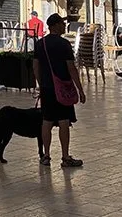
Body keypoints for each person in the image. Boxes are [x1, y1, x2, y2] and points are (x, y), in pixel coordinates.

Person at [32, 13, 85, 168]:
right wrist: (80, 89)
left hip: (47, 88)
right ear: (55, 25)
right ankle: (65, 157)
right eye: (62, 23)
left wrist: (41, 83)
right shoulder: (64, 44)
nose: (64, 26)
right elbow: (71, 68)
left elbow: (36, 66)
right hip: (63, 88)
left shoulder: (40, 44)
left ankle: (46, 155)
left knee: (46, 121)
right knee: (63, 121)